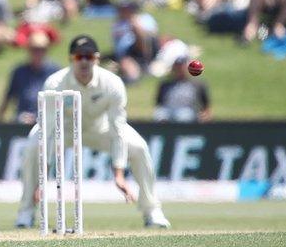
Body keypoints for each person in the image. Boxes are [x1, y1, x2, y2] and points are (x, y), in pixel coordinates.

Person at [15, 35, 171, 229]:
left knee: (138, 147)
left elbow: (118, 128)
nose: (84, 61)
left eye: (88, 56)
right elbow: (47, 129)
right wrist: (42, 179)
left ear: (96, 58)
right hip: (64, 129)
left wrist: (119, 173)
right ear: (71, 58)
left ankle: (152, 211)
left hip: (99, 128)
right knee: (32, 146)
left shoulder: (112, 83)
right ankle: (25, 213)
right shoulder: (55, 83)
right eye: (79, 57)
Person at [0, 31, 60, 124]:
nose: (38, 53)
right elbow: (8, 97)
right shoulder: (19, 71)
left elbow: (61, 103)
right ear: (28, 49)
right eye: (34, 49)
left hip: (48, 123)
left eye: (42, 49)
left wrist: (38, 117)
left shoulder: (55, 72)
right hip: (21, 120)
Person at [112, 0, 159, 83]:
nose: (125, 11)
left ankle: (146, 61)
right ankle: (133, 77)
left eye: (127, 9)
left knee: (136, 27)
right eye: (122, 9)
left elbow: (153, 34)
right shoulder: (118, 25)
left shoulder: (145, 18)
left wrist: (135, 24)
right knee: (127, 62)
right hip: (129, 51)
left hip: (147, 47)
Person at [153, 56, 211, 123]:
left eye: (182, 67)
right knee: (160, 114)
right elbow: (159, 103)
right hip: (168, 110)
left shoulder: (197, 84)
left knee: (182, 116)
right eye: (177, 67)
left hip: (188, 111)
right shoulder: (165, 84)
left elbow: (206, 105)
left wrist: (206, 116)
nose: (179, 69)